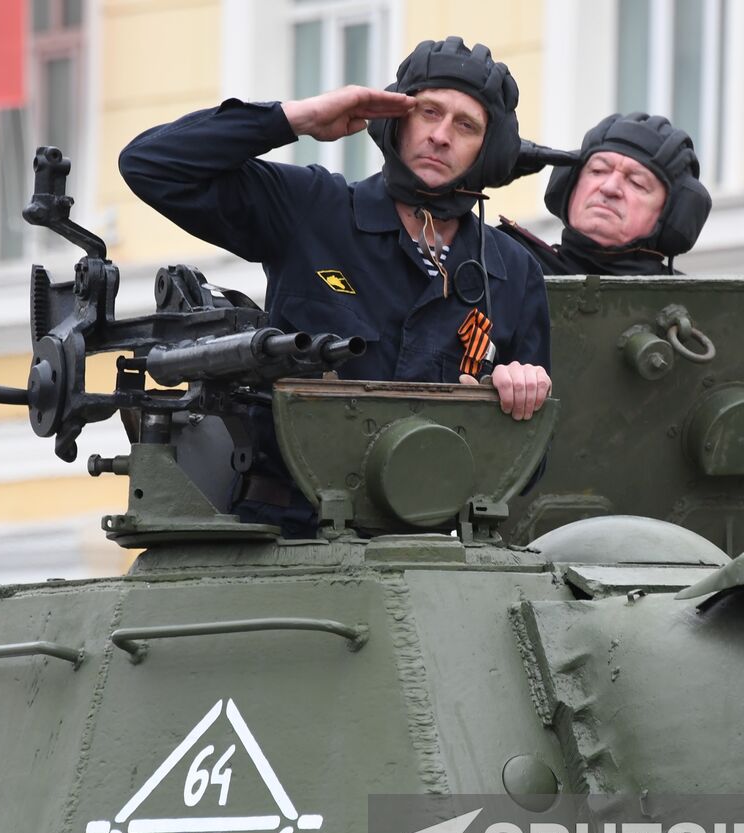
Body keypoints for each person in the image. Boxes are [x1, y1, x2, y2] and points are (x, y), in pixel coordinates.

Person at [119, 37, 552, 533]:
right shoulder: (314, 210)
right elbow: (151, 165)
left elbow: (530, 465)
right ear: (397, 118)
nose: (440, 135)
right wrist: (295, 119)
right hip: (288, 536)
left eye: (466, 125)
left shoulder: (511, 271)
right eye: (428, 111)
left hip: (424, 551)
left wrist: (514, 404)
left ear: (488, 148)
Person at [500, 112, 744, 442]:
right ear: (569, 184)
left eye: (637, 182)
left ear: (673, 214)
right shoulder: (506, 269)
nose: (610, 187)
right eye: (598, 170)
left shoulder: (700, 319)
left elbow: (733, 434)